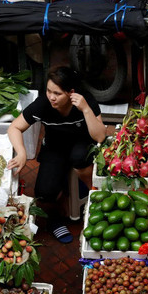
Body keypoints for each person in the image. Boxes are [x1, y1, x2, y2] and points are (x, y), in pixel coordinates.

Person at [7, 66, 106, 243]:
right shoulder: (43, 104)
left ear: (71, 93)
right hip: (55, 147)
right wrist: (21, 152)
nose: (51, 97)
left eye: (57, 93)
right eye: (49, 91)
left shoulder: (85, 100)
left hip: (81, 143)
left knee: (80, 158)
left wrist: (85, 110)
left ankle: (94, 196)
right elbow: (15, 127)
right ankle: (56, 217)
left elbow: (100, 136)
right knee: (44, 192)